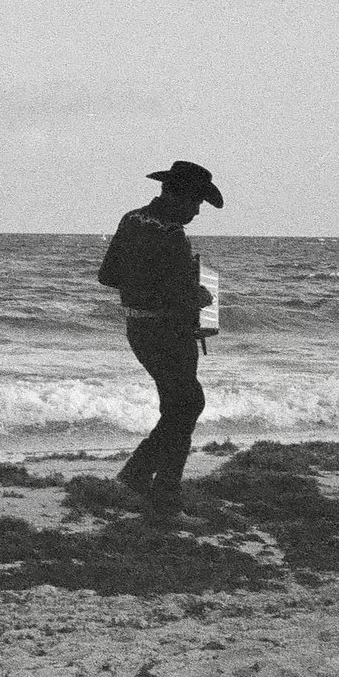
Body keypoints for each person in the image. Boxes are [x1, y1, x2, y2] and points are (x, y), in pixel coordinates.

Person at [99, 161, 222, 514]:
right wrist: (194, 295)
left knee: (181, 406)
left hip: (139, 330)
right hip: (169, 333)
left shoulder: (130, 219)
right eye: (196, 203)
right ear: (177, 196)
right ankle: (164, 498)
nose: (198, 211)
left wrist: (167, 284)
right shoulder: (171, 235)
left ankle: (138, 475)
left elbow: (108, 276)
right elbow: (170, 293)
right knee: (186, 405)